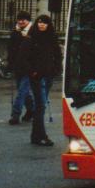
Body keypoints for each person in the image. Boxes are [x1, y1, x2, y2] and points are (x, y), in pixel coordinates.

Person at [29, 14, 61, 146]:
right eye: (40, 22)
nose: (41, 24)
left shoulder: (52, 38)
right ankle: (41, 136)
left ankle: (35, 135)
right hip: (37, 76)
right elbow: (25, 57)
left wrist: (56, 69)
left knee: (39, 106)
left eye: (44, 23)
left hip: (48, 75)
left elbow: (58, 55)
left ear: (48, 25)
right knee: (41, 105)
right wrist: (33, 71)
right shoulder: (32, 38)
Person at [7, 11, 34, 125]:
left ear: (28, 21)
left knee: (22, 91)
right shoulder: (15, 32)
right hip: (18, 66)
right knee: (23, 91)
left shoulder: (33, 32)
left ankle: (15, 115)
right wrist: (10, 63)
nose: (21, 21)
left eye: (24, 19)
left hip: (29, 66)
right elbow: (11, 49)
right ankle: (31, 110)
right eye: (19, 19)